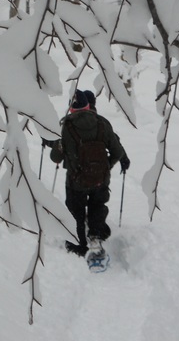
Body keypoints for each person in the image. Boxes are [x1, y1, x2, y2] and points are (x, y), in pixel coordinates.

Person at [49, 89, 128, 257]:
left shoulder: (65, 127)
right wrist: (106, 166)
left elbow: (55, 157)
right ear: (87, 106)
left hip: (76, 181)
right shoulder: (102, 123)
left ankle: (79, 244)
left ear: (71, 109)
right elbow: (117, 151)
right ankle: (96, 235)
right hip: (101, 178)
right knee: (97, 206)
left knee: (75, 211)